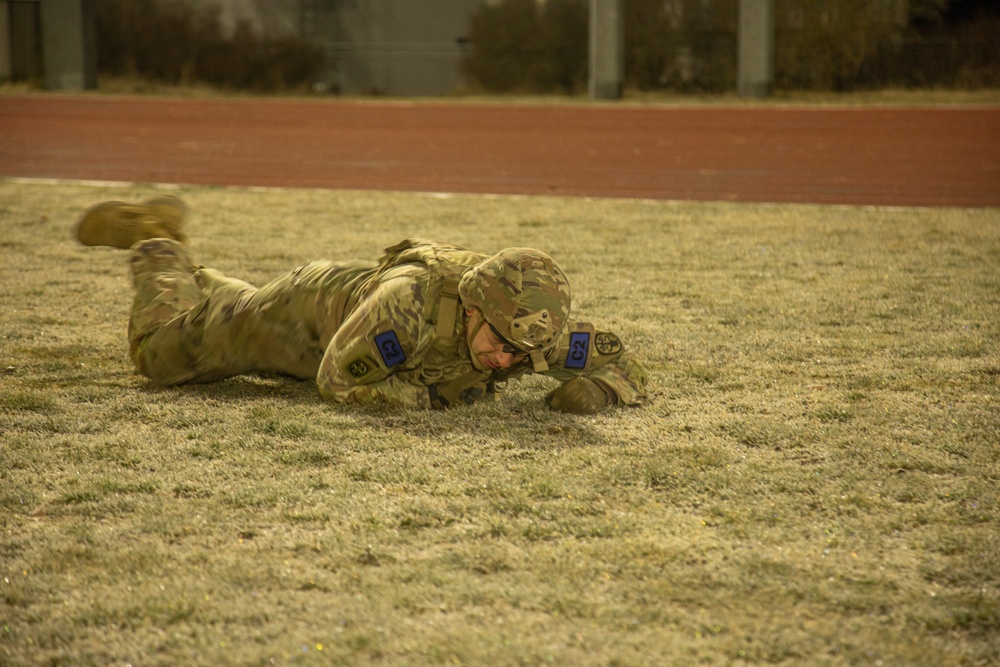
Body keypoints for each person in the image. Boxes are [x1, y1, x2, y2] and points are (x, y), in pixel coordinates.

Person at [74, 196, 649, 414]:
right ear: (472, 308)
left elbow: (625, 363)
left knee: (226, 306)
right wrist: (438, 397)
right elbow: (339, 383)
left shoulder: (525, 324)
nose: (507, 359)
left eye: (522, 350)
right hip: (299, 318)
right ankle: (155, 243)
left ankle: (208, 283)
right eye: (499, 343)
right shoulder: (407, 307)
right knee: (157, 357)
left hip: (344, 318)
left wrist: (598, 389)